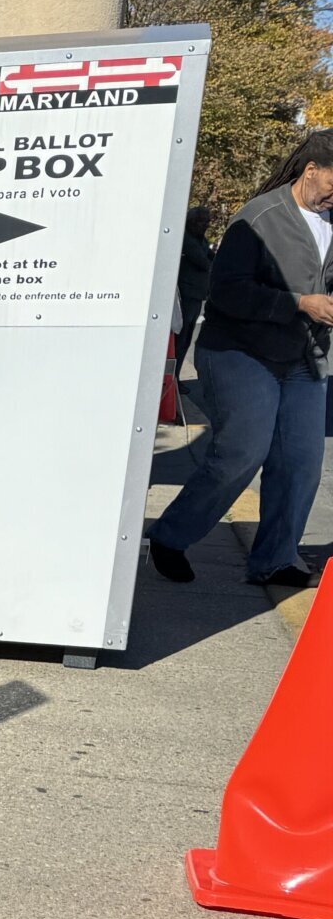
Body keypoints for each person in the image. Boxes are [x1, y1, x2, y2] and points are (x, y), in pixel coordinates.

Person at [146, 132, 333, 588]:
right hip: (239, 352)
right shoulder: (260, 216)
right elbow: (225, 292)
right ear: (311, 171)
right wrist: (298, 302)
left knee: (301, 460)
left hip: (305, 360)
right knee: (243, 450)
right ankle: (170, 535)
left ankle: (275, 559)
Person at [176, 204, 214, 340]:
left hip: (197, 295)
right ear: (194, 222)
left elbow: (212, 257)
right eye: (204, 222)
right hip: (187, 295)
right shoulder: (187, 239)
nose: (207, 225)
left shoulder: (200, 239)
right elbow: (204, 262)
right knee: (182, 335)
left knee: (187, 335)